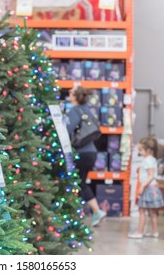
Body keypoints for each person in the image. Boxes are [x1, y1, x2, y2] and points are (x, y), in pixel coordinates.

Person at [66, 85, 106, 227]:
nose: (68, 95)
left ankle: (93, 211)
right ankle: (92, 212)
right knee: (81, 182)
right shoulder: (87, 110)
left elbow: (66, 130)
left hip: (81, 153)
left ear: (75, 97)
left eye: (71, 93)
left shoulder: (74, 111)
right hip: (91, 152)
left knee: (77, 183)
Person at [128, 137, 164, 238]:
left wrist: (142, 186)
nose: (139, 152)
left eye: (140, 150)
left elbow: (151, 175)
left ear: (148, 150)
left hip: (148, 189)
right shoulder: (152, 160)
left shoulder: (148, 161)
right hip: (153, 189)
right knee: (152, 213)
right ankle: (154, 231)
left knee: (142, 212)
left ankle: (139, 232)